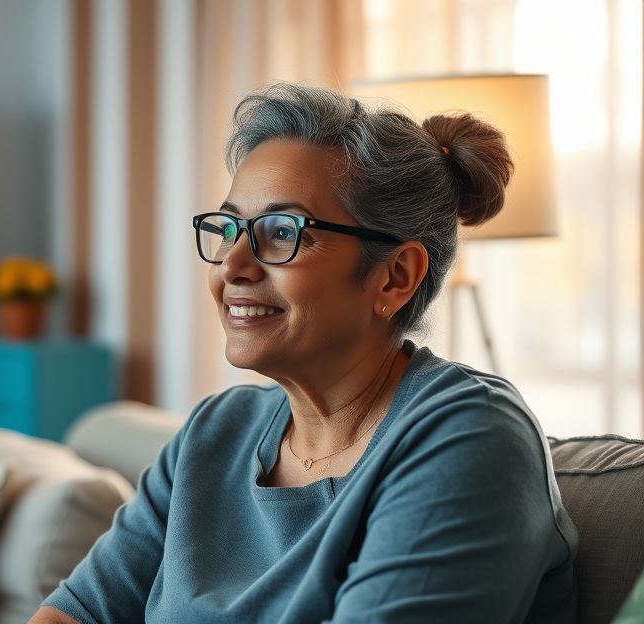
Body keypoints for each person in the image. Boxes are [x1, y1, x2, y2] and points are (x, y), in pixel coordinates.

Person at [29, 82, 578, 623]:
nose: (232, 266)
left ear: (394, 277)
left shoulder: (468, 436)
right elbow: (75, 612)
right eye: (229, 228)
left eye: (282, 232)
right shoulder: (216, 432)